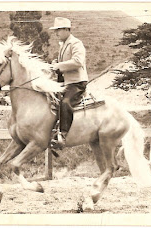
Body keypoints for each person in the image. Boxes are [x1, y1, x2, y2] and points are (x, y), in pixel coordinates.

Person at [49, 17, 89, 149]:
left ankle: (63, 135)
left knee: (65, 102)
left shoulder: (76, 43)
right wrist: (55, 65)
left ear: (67, 29)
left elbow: (78, 61)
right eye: (56, 31)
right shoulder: (64, 45)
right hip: (66, 83)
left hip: (77, 83)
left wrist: (59, 65)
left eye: (58, 30)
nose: (56, 33)